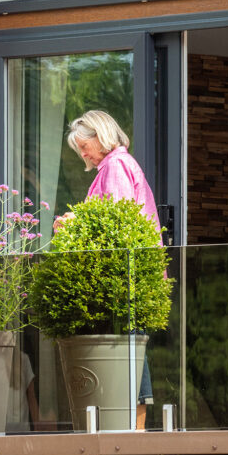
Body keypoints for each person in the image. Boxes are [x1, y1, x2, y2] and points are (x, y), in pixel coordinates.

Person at [57, 110, 161, 429]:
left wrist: (74, 222)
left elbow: (116, 219)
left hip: (123, 278)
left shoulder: (115, 165)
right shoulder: (119, 164)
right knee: (130, 352)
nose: (82, 154)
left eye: (84, 146)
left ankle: (133, 435)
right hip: (133, 275)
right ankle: (133, 433)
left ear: (100, 136)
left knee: (126, 352)